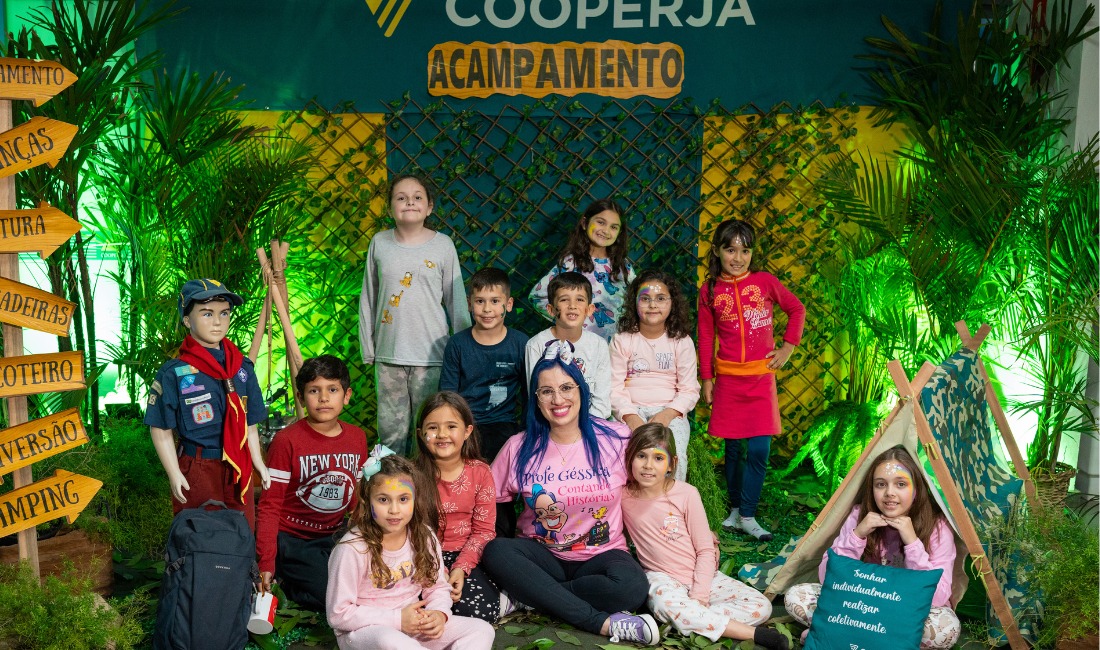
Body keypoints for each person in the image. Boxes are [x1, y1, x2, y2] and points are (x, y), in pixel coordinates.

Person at [482, 341, 660, 646]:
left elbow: (651, 486)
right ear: (536, 399)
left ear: (581, 391)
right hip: (541, 556)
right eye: (546, 391)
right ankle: (601, 623)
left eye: (566, 388)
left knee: (632, 587)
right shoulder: (518, 447)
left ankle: (531, 595)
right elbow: (491, 503)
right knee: (496, 551)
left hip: (602, 555)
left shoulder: (617, 439)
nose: (558, 399)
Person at [621, 423, 789, 650]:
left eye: (658, 458)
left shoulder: (686, 493)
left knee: (762, 607)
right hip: (662, 578)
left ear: (672, 464)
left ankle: (691, 619)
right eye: (641, 456)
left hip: (701, 575)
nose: (648, 465)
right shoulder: (623, 497)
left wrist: (699, 596)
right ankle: (754, 634)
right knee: (665, 602)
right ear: (630, 458)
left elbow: (705, 549)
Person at [783, 446, 961, 649]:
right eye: (880, 484)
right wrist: (858, 535)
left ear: (917, 489)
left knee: (947, 629)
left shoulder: (938, 526)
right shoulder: (859, 515)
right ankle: (873, 639)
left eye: (901, 484)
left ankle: (838, 633)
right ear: (872, 489)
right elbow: (826, 577)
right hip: (863, 602)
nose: (889, 493)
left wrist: (912, 543)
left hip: (904, 608)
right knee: (796, 597)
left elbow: (938, 596)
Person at [698, 219, 805, 541]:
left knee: (759, 449)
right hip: (729, 381)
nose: (738, 257)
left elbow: (796, 309)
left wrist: (788, 347)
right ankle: (735, 511)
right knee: (733, 450)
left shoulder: (765, 281)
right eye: (731, 250)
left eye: (745, 251)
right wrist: (707, 379)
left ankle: (748, 515)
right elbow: (706, 336)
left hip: (760, 381)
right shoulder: (710, 290)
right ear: (717, 251)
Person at [326, 452, 494, 650]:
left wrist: (439, 613)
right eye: (383, 500)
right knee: (390, 641)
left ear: (415, 500)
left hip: (413, 624)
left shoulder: (424, 537)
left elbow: (437, 587)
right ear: (366, 501)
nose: (394, 510)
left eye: (403, 499)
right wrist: (397, 619)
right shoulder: (352, 549)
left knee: (482, 630)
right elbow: (338, 614)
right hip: (367, 632)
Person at [359, 173, 471, 455]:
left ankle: (426, 483)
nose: (410, 202)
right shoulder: (379, 243)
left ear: (429, 207)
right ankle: (391, 482)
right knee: (390, 435)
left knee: (430, 432)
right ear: (390, 208)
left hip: (432, 357)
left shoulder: (443, 245)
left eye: (417, 197)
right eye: (401, 198)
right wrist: (368, 347)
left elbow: (456, 300)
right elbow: (368, 298)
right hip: (389, 356)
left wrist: (464, 351)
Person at [146, 278, 270, 530]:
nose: (217, 322)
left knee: (242, 534)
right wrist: (174, 472)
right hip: (198, 467)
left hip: (238, 465)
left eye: (224, 313)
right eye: (207, 313)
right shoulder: (174, 373)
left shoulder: (241, 368)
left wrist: (258, 460)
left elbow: (249, 422)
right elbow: (160, 428)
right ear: (187, 320)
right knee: (200, 537)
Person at [256, 355, 369, 611]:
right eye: (314, 391)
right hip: (294, 539)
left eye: (332, 390)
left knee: (366, 587)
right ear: (300, 397)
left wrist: (364, 536)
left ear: (347, 395)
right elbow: (270, 505)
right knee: (334, 597)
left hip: (335, 535)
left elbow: (356, 496)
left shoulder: (357, 438)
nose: (324, 398)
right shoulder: (287, 441)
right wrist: (266, 563)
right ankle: (287, 582)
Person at [413, 392, 504, 623]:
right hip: (421, 555)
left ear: (467, 431)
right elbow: (409, 531)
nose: (442, 434)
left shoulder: (480, 472)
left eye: (451, 426)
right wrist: (437, 570)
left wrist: (460, 568)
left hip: (467, 555)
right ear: (421, 434)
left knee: (478, 611)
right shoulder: (410, 475)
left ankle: (504, 598)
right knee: (413, 605)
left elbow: (484, 531)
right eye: (432, 427)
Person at [610, 270, 700, 480]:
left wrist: (667, 415)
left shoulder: (681, 341)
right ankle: (627, 499)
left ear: (672, 303)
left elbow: (689, 389)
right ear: (634, 303)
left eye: (660, 298)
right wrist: (631, 417)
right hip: (631, 410)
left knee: (674, 452)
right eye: (645, 299)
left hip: (670, 411)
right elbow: (613, 387)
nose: (653, 305)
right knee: (622, 451)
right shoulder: (622, 339)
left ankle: (672, 497)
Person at [439, 268, 528, 463]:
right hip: (465, 425)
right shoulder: (457, 344)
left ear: (509, 304)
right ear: (469, 304)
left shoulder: (521, 344)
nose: (487, 309)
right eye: (480, 301)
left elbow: (529, 394)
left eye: (495, 301)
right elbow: (448, 395)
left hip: (503, 424)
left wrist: (525, 432)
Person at [528, 198, 635, 341]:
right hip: (578, 345)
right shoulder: (571, 263)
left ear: (619, 233)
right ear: (585, 223)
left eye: (614, 227)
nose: (606, 230)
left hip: (616, 346)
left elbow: (637, 301)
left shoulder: (623, 266)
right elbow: (537, 296)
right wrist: (568, 321)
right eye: (601, 222)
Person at [524, 272, 612, 419]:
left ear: (589, 309)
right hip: (552, 422)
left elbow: (602, 402)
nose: (572, 306)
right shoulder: (535, 345)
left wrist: (586, 427)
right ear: (551, 310)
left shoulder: (598, 345)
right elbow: (536, 397)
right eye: (564, 300)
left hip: (592, 422)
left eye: (580, 300)